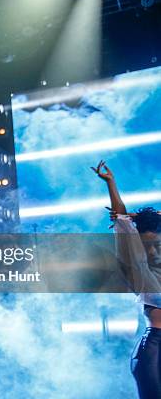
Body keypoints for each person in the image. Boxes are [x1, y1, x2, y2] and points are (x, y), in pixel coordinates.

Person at [93, 160, 161, 399]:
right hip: (155, 349)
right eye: (146, 246)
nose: (152, 252)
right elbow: (121, 221)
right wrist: (111, 184)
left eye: (156, 245)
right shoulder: (140, 270)